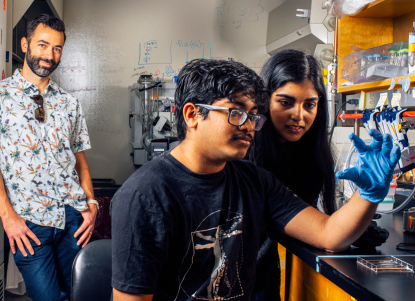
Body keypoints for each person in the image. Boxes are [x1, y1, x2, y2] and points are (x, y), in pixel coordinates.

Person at [111, 58, 401, 300]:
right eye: (236, 113)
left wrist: (368, 194)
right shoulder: (145, 195)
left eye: (253, 115)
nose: (250, 126)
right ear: (192, 115)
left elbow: (329, 234)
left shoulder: (255, 181)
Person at [0, 14, 97, 301]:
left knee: (80, 294)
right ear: (25, 44)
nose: (49, 55)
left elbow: (79, 161)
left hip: (72, 217)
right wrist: (9, 219)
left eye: (57, 48)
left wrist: (91, 204)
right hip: (28, 222)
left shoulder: (70, 103)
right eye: (43, 45)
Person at [248, 49, 336, 300]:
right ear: (265, 100)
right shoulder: (243, 151)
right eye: (285, 102)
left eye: (309, 104)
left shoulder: (310, 155)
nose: (299, 115)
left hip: (262, 276)